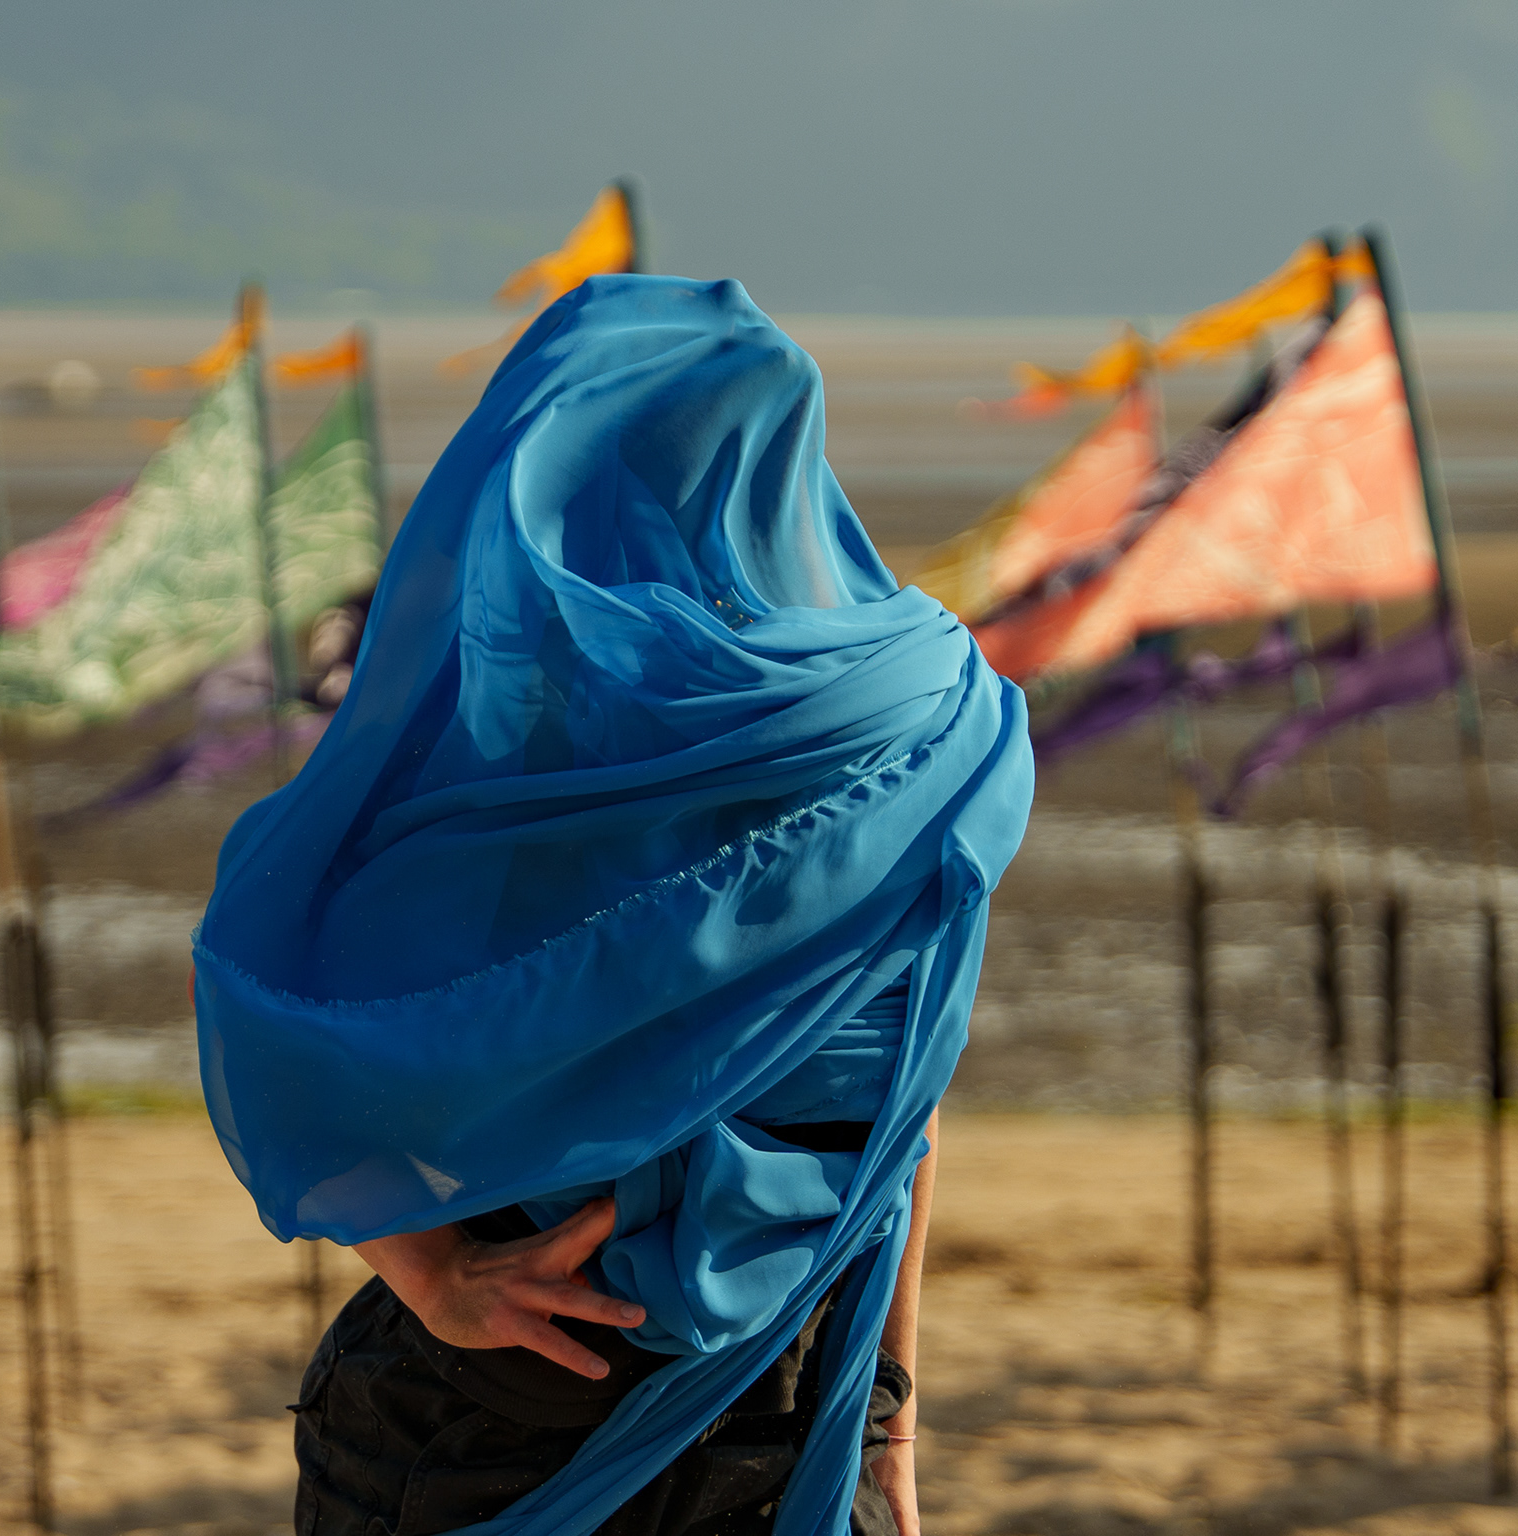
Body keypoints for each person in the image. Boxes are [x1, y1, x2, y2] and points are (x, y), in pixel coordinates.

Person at [193, 275, 1032, 1535]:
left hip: (487, 1427)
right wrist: (882, 1423)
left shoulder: (509, 766)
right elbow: (906, 1119)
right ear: (783, 464)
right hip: (790, 1416)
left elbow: (264, 1007)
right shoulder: (922, 732)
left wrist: (433, 1279)